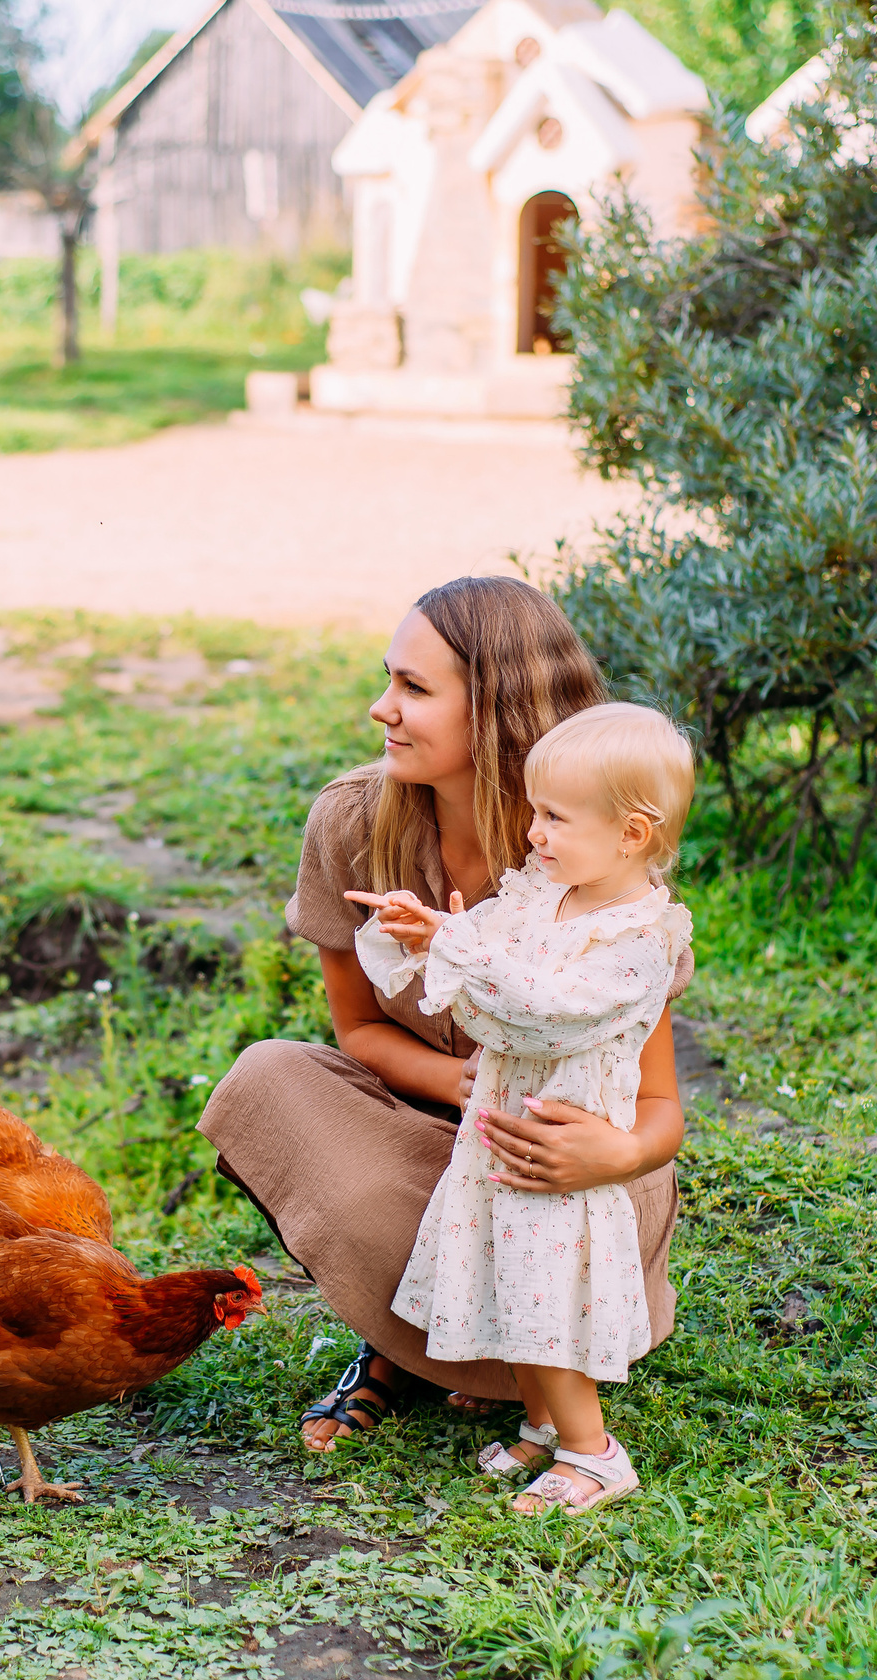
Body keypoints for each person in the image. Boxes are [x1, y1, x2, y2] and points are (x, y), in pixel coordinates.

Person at [195, 575, 692, 1452]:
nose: (381, 707)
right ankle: (401, 1346)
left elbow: (656, 1108)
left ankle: (469, 1368)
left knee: (531, 1209)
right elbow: (358, 1033)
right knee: (267, 1078)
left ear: (495, 710)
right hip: (433, 1137)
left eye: (414, 688)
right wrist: (462, 1080)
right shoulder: (353, 820)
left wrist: (610, 1152)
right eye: (389, 677)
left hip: (563, 1165)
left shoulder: (597, 857)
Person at [346, 702, 695, 1515]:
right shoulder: (546, 892)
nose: (532, 833)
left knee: (548, 1291)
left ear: (631, 834)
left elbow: (546, 1006)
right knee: (514, 1279)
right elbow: (489, 940)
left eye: (553, 817)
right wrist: (431, 929)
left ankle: (593, 1451)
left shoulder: (640, 938)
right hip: (503, 1131)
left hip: (557, 1145)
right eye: (536, 812)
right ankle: (540, 1418)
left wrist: (461, 950)